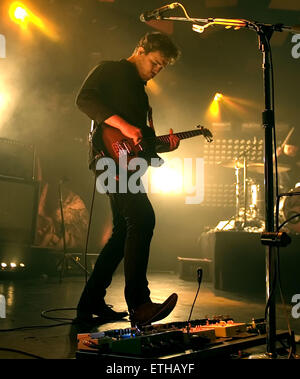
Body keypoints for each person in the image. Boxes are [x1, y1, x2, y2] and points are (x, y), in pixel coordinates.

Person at [75, 32, 181, 326]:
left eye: (162, 67)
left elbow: (140, 139)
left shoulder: (141, 93)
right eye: (156, 63)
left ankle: (90, 302)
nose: (157, 70)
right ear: (140, 50)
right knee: (143, 218)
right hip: (107, 160)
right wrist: (122, 124)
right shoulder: (109, 69)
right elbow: (84, 99)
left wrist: (164, 144)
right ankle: (140, 304)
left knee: (123, 230)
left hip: (127, 164)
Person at [276, 127, 300, 192]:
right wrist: (275, 156)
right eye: (289, 148)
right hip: (284, 187)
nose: (291, 150)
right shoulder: (281, 159)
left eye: (293, 149)